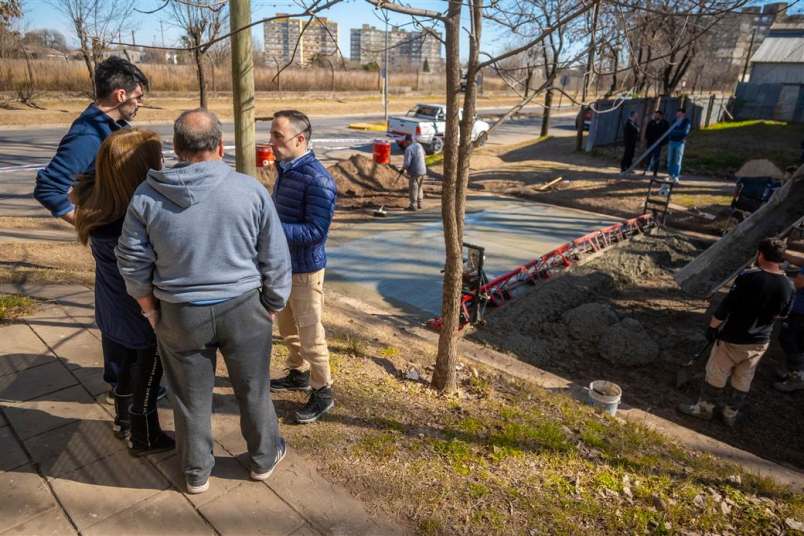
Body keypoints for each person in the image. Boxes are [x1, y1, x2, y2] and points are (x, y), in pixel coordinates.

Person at [116, 109, 292, 494]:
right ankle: (263, 459)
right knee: (254, 388)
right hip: (244, 306)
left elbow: (130, 259)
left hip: (179, 312)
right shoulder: (250, 190)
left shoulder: (147, 196)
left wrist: (148, 307)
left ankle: (196, 472)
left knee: (189, 397)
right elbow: (276, 257)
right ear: (221, 146)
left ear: (176, 148)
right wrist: (274, 303)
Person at [34, 56, 149, 396]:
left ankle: (130, 379)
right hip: (113, 239)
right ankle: (125, 386)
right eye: (138, 97)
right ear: (119, 96)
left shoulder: (110, 128)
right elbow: (49, 188)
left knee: (125, 311)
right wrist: (88, 224)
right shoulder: (87, 135)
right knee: (123, 313)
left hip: (124, 238)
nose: (140, 103)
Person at [71, 129, 174, 456]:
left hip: (110, 303)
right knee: (148, 369)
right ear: (139, 167)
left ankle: (122, 421)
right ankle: (144, 434)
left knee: (124, 366)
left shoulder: (97, 202)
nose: (163, 162)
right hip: (140, 308)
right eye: (158, 157)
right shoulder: (139, 213)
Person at [267, 109, 338, 424]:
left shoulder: (319, 179)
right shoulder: (286, 168)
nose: (271, 142)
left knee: (311, 333)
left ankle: (323, 391)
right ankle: (298, 372)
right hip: (283, 266)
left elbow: (315, 232)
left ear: (300, 139)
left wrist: (271, 227)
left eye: (277, 137)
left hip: (306, 271)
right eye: (272, 135)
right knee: (286, 328)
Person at [678, 238, 794, 427]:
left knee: (717, 372)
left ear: (760, 254)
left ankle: (704, 409)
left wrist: (712, 328)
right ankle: (730, 413)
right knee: (744, 377)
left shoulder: (749, 277)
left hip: (733, 337)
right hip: (760, 341)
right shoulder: (788, 285)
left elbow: (726, 307)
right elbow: (783, 315)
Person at [774, 249, 804, 392]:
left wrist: (777, 276)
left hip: (800, 310)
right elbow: (801, 261)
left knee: (789, 339)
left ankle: (797, 375)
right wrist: (784, 253)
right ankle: (794, 371)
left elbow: (799, 283)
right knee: (798, 340)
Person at [666, 108, 691, 183]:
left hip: (680, 143)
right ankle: (670, 175)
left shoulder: (686, 121)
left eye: (679, 113)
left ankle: (676, 176)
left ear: (683, 114)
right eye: (677, 113)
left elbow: (684, 132)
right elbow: (669, 131)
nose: (677, 114)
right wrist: (675, 132)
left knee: (677, 160)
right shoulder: (674, 121)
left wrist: (674, 132)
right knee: (670, 159)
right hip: (671, 142)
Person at [403, 134, 427, 210]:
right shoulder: (419, 145)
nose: (405, 143)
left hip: (415, 171)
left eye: (406, 141)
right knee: (420, 187)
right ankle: (420, 203)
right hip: (423, 170)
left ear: (409, 141)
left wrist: (402, 169)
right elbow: (424, 154)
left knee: (413, 188)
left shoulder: (409, 149)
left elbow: (407, 163)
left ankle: (413, 205)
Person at [643, 110, 670, 177]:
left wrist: (663, 142)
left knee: (656, 158)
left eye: (658, 115)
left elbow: (667, 134)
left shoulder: (665, 123)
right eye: (655, 115)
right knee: (648, 157)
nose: (656, 116)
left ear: (661, 116)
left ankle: (655, 172)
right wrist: (647, 140)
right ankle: (646, 170)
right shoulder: (651, 122)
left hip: (658, 144)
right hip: (650, 143)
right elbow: (647, 132)